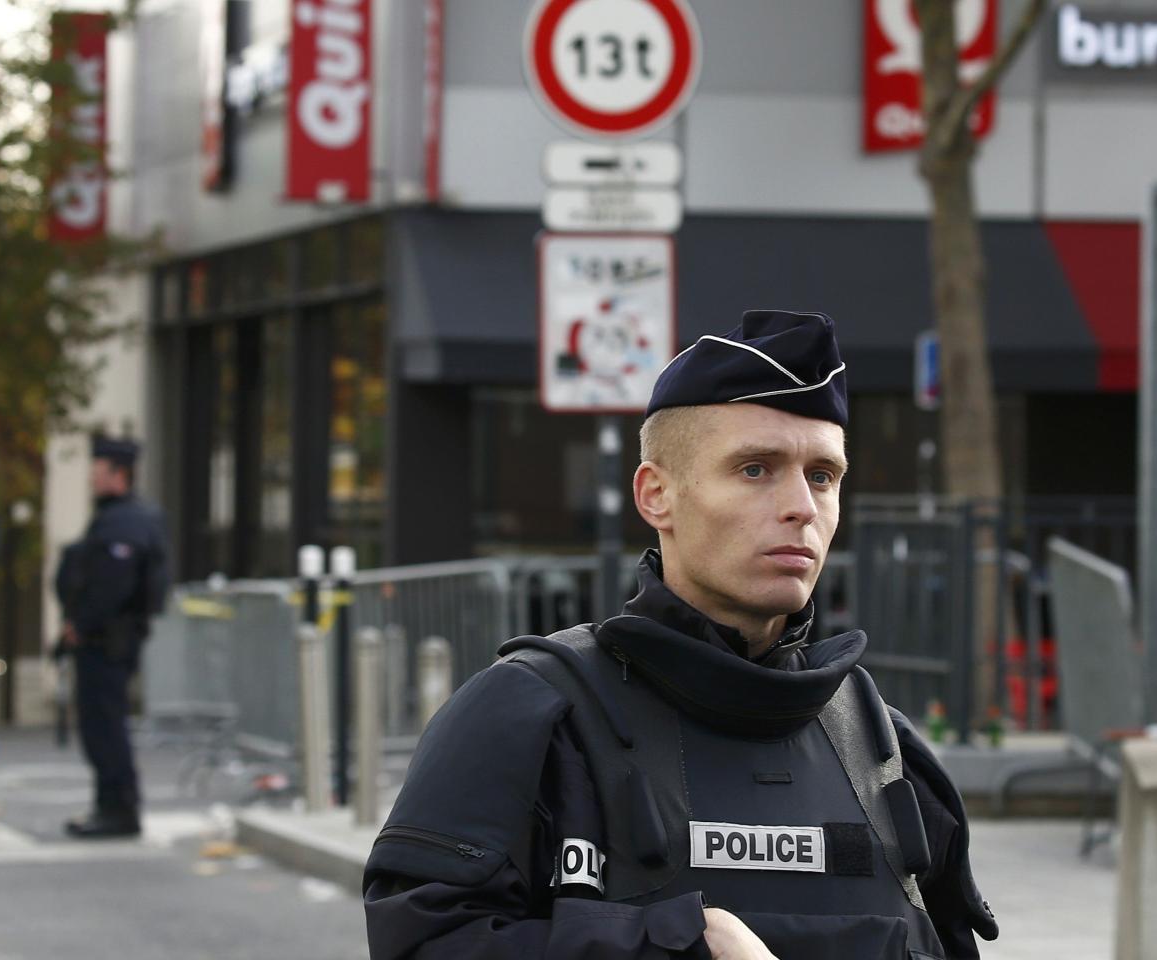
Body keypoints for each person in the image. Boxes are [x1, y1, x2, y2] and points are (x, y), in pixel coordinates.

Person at [363, 311, 998, 959]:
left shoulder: (884, 749)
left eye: (822, 476)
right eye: (756, 469)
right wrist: (685, 946)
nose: (802, 508)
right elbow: (423, 943)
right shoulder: (531, 718)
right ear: (655, 495)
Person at [55, 434, 171, 839]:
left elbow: (111, 586)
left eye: (98, 471)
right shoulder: (117, 517)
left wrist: (82, 624)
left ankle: (119, 809)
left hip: (108, 640)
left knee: (105, 728)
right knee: (101, 727)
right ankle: (110, 805)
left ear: (119, 475)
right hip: (104, 639)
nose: (91, 477)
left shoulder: (126, 521)